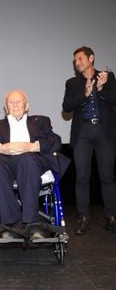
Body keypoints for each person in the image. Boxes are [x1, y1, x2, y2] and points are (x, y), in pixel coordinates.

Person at [0, 89, 70, 240]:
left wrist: (33, 146)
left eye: (18, 101)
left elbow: (55, 141)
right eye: (10, 102)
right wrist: (0, 148)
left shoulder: (40, 121)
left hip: (32, 159)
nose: (14, 105)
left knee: (27, 159)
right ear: (6, 107)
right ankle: (12, 223)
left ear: (26, 106)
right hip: (5, 161)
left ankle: (31, 222)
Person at [62, 46, 116, 235]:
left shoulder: (107, 77)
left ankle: (111, 217)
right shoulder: (72, 83)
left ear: (91, 58)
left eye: (80, 59)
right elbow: (66, 107)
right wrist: (84, 95)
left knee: (107, 176)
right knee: (82, 177)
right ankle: (83, 218)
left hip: (104, 131)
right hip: (82, 132)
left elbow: (114, 100)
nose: (77, 63)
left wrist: (100, 89)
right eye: (75, 61)